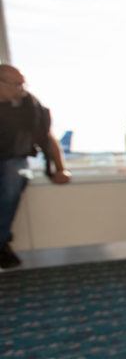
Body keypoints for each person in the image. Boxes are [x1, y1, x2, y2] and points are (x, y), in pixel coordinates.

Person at [0, 64, 71, 270]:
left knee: (15, 175)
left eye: (23, 84)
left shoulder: (29, 106)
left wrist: (59, 168)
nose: (21, 89)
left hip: (16, 161)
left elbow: (46, 137)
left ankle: (1, 242)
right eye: (16, 84)